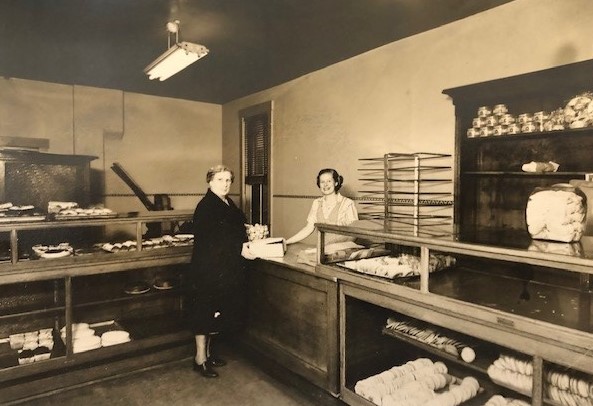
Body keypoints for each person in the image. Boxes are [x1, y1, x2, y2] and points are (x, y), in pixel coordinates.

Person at [188, 165, 256, 378]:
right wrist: (240, 247)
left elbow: (234, 228)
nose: (225, 184)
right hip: (207, 267)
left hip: (223, 267)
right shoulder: (206, 206)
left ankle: (208, 354)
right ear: (210, 182)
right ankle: (200, 360)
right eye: (220, 180)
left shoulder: (226, 202)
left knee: (215, 311)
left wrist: (249, 232)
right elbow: (212, 241)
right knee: (204, 311)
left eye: (228, 180)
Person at [285, 168, 358, 245]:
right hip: (322, 251)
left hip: (342, 250)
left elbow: (355, 232)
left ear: (336, 183)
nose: (325, 185)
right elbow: (308, 228)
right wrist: (287, 242)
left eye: (329, 181)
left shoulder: (348, 203)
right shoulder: (316, 203)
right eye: (322, 182)